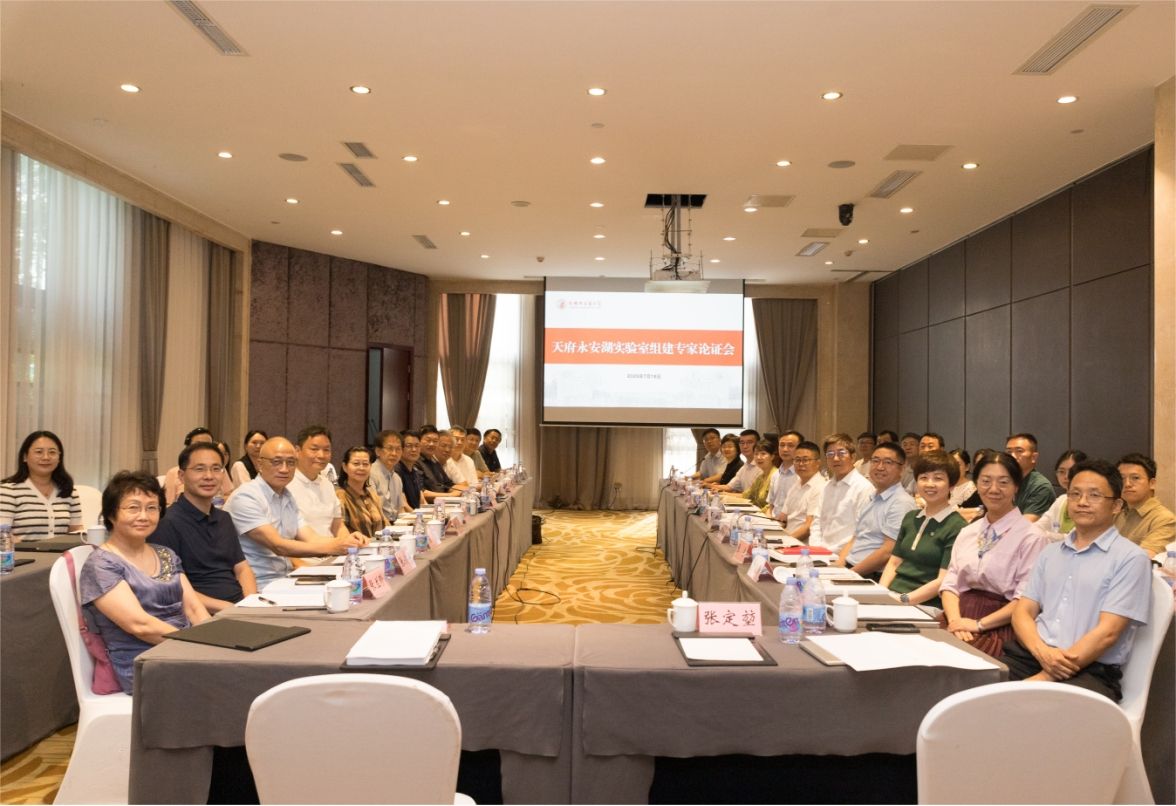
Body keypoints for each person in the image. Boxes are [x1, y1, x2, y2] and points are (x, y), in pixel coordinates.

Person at [1004, 460, 1152, 701]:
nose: (1082, 502)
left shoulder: (1131, 558)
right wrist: (1042, 653)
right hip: (1032, 656)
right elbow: (1022, 612)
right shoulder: (1050, 552)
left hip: (1089, 669)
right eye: (1075, 494)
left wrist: (1045, 677)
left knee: (1034, 707)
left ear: (1116, 505)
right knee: (973, 687)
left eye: (1094, 495)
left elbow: (1108, 632)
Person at [78, 471, 210, 693]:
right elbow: (140, 625)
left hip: (186, 651)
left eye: (152, 508)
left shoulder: (165, 554)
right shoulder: (101, 564)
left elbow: (194, 609)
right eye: (133, 508)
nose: (143, 516)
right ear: (111, 514)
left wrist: (215, 644)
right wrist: (195, 647)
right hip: (143, 662)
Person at [939, 451, 1049, 658]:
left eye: (1003, 482)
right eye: (986, 481)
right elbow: (950, 584)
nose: (994, 489)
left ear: (1016, 486)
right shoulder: (968, 531)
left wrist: (978, 624)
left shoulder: (1031, 537)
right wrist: (955, 621)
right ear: (977, 484)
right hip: (957, 615)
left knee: (957, 659)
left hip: (999, 625)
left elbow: (1025, 599)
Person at [223, 437, 365, 589]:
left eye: (291, 462)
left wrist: (348, 541)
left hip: (287, 578)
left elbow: (311, 538)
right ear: (260, 464)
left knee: (351, 588)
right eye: (276, 462)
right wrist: (334, 547)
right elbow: (278, 546)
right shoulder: (246, 496)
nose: (284, 469)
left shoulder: (286, 496)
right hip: (258, 584)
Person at [149, 442, 256, 613]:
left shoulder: (224, 518)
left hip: (240, 608)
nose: (209, 476)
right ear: (181, 476)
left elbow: (242, 568)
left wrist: (251, 602)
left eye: (216, 469)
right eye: (199, 469)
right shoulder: (166, 523)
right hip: (201, 613)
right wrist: (231, 609)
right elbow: (170, 586)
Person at [880, 451, 967, 610]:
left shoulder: (957, 526)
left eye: (938, 478)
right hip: (893, 596)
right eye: (923, 478)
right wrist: (881, 593)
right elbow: (894, 562)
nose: (929, 484)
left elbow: (943, 579)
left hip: (925, 605)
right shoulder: (911, 517)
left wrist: (903, 599)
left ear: (952, 485)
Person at [839, 442, 917, 578]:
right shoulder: (871, 497)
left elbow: (887, 551)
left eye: (888, 462)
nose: (880, 467)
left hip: (871, 575)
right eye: (875, 461)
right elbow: (855, 538)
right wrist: (839, 566)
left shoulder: (901, 503)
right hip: (850, 567)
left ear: (902, 468)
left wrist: (850, 574)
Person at [0, 430, 83, 538]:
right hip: (21, 549)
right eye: (39, 452)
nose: (46, 457)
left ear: (59, 458)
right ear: (25, 456)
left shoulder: (68, 491)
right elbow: (2, 534)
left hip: (62, 550)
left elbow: (76, 532)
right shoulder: (8, 491)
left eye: (52, 452)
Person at [288, 425, 357, 541]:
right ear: (297, 451)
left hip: (332, 549)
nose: (321, 455)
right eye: (314, 449)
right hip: (304, 550)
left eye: (326, 450)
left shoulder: (327, 484)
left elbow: (338, 526)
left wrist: (348, 540)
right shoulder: (286, 484)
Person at [811, 433, 873, 553]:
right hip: (820, 552)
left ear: (853, 457)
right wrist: (816, 548)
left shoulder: (864, 488)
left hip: (845, 555)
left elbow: (861, 531)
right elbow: (817, 521)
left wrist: (829, 552)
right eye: (830, 454)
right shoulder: (826, 486)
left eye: (841, 453)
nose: (835, 458)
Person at [1115, 453, 1175, 556]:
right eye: (1122, 478)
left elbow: (1143, 559)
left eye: (1135, 478)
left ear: (1152, 483)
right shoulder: (1117, 515)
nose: (1127, 484)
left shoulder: (1165, 519)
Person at [162, 427, 233, 505]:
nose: (209, 476)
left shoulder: (218, 470)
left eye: (208, 444)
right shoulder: (173, 473)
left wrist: (215, 501)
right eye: (198, 445)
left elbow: (230, 496)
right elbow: (167, 504)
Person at [778, 441, 826, 542]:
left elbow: (808, 528)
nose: (800, 464)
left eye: (805, 460)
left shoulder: (820, 487)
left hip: (802, 544)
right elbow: (782, 518)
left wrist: (784, 542)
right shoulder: (796, 484)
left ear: (818, 463)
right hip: (788, 537)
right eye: (797, 460)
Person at [336, 446, 388, 538]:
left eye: (365, 464)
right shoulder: (340, 496)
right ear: (345, 467)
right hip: (354, 546)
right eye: (356, 464)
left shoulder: (372, 494)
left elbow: (385, 524)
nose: (361, 468)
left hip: (378, 545)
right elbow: (339, 529)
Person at [1037, 449, 1088, 540]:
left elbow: (1076, 539)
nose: (1066, 476)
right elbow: (1039, 525)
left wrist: (1044, 535)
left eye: (1072, 471)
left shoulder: (1088, 503)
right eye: (1061, 471)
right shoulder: (1061, 500)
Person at [1005, 433, 1055, 521]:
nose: (1012, 456)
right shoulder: (1007, 481)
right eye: (1009, 452)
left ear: (1034, 457)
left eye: (1019, 451)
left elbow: (1027, 523)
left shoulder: (1041, 487)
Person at [370, 429, 410, 523]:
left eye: (398, 449)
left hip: (395, 525)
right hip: (379, 525)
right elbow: (374, 508)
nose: (394, 453)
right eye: (390, 448)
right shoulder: (370, 473)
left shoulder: (397, 478)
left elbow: (400, 510)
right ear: (378, 451)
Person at [766, 431, 802, 518]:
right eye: (782, 445)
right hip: (773, 521)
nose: (785, 449)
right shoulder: (775, 475)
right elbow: (771, 506)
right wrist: (768, 518)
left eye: (790, 446)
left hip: (791, 523)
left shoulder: (802, 476)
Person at [713, 429, 761, 494]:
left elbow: (752, 496)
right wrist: (708, 485)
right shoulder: (744, 467)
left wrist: (725, 493)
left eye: (749, 442)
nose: (745, 446)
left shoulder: (761, 466)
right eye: (742, 443)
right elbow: (729, 486)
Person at [396, 430, 427, 510]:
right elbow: (404, 505)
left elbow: (422, 501)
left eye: (417, 446)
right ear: (400, 448)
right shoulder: (396, 471)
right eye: (409, 446)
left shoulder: (416, 472)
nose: (414, 449)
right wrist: (418, 516)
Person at [742, 440, 777, 510]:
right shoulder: (760, 477)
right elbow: (747, 495)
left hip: (766, 514)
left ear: (772, 456)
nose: (758, 457)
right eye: (756, 454)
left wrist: (758, 513)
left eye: (763, 454)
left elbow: (773, 505)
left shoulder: (776, 476)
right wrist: (723, 495)